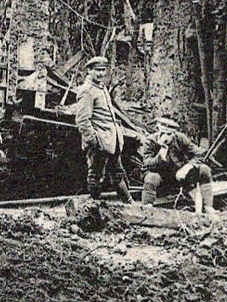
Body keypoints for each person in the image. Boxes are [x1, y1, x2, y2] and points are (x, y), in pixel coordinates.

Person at [72, 56, 129, 201]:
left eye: (103, 70)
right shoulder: (87, 91)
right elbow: (82, 120)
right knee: (96, 175)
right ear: (89, 71)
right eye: (97, 70)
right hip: (100, 141)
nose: (101, 74)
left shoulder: (101, 88)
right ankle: (94, 204)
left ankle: (128, 202)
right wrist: (93, 140)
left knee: (117, 173)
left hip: (111, 140)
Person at [141, 115, 215, 214]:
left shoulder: (180, 138)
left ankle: (208, 207)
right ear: (158, 129)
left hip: (179, 176)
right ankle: (147, 209)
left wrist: (187, 167)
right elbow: (146, 164)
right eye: (163, 133)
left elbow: (200, 154)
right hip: (161, 178)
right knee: (151, 177)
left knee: (204, 169)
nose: (166, 137)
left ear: (174, 133)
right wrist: (160, 156)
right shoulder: (150, 142)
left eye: (169, 134)